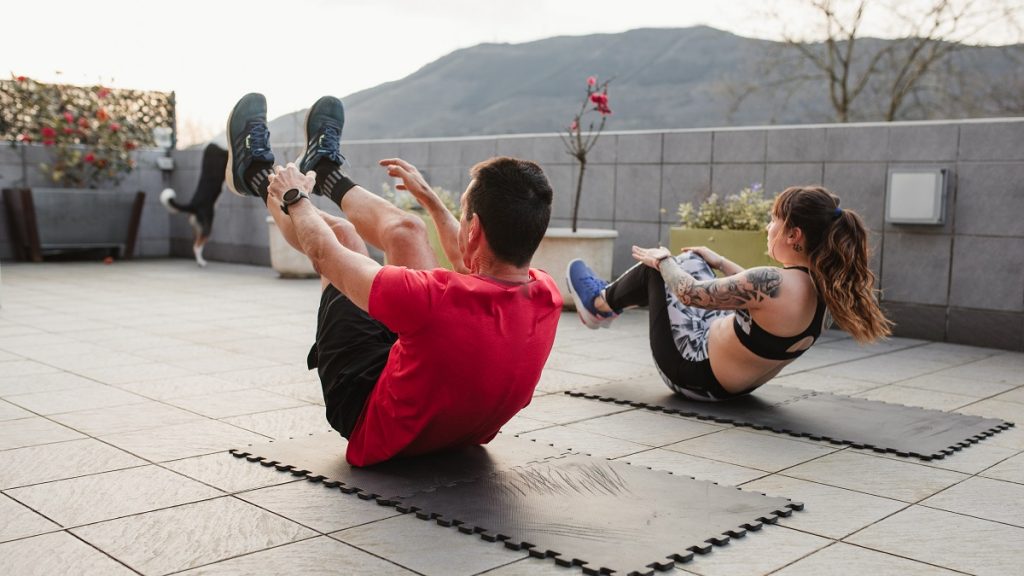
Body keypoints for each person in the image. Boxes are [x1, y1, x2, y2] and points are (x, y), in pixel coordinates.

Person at [224, 93, 562, 466]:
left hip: (370, 413)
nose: (461, 219)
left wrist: (294, 195)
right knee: (408, 228)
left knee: (341, 239)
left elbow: (325, 255)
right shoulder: (545, 291)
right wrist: (432, 201)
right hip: (447, 417)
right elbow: (466, 255)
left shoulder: (435, 298)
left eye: (464, 213)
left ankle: (255, 173)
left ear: (475, 228)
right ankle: (325, 169)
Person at [566, 186, 892, 401]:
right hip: (737, 385)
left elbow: (690, 294)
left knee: (660, 270)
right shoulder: (829, 292)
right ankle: (611, 301)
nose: (768, 229)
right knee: (693, 260)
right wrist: (719, 262)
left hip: (691, 371)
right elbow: (759, 300)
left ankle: (599, 305)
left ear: (794, 235)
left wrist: (662, 259)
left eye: (773, 221)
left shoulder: (773, 281)